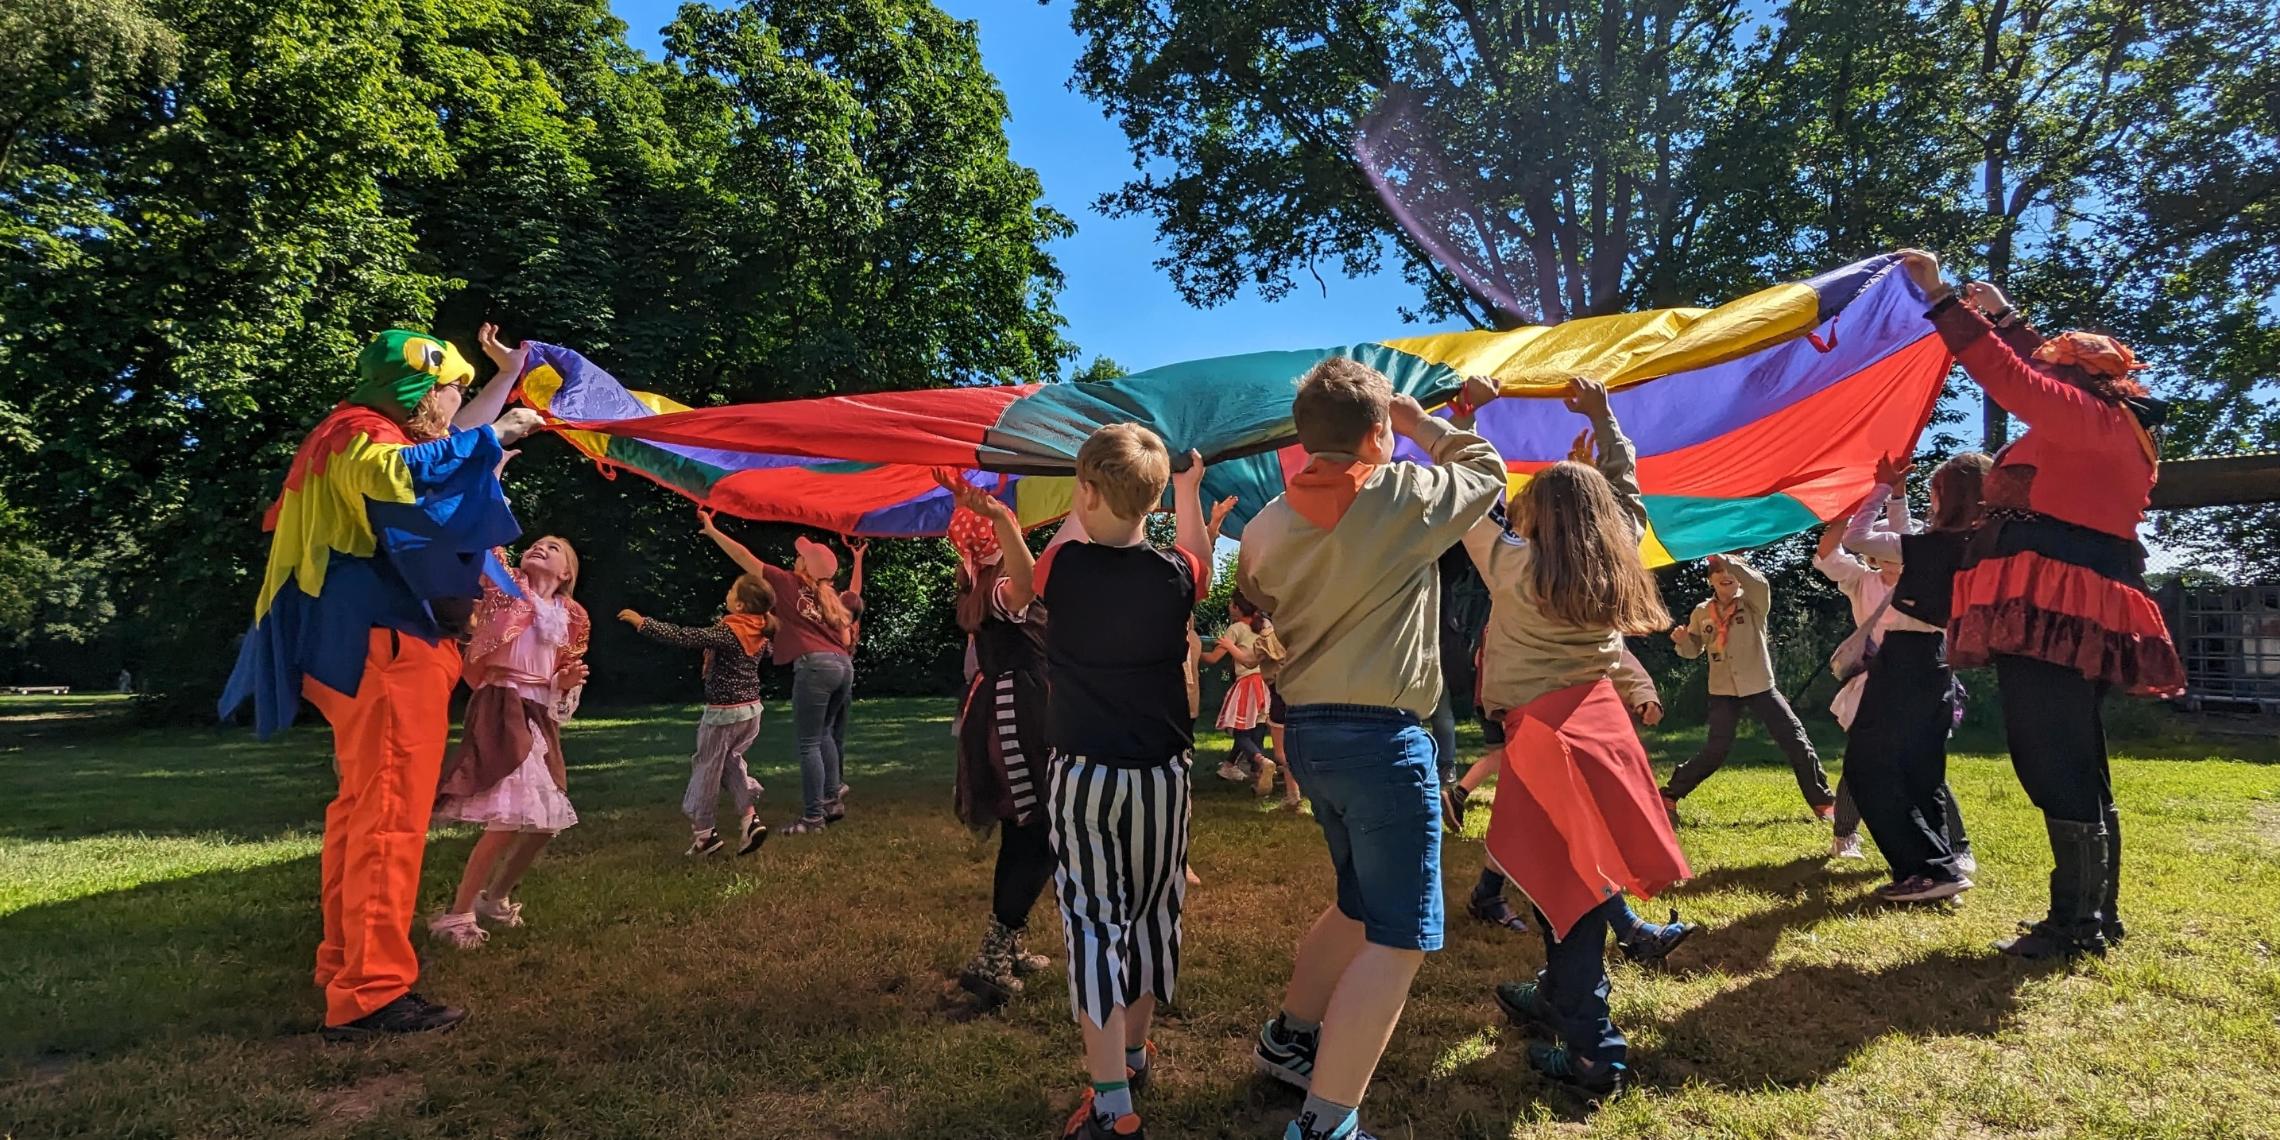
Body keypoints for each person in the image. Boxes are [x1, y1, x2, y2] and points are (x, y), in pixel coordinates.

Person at [218, 324, 534, 1040]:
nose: (458, 401)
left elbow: (436, 450)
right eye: (451, 387)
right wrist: (494, 437)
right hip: (384, 652)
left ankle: (345, 966)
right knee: (388, 818)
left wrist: (501, 388)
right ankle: (371, 993)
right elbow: (410, 472)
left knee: (363, 814)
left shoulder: (363, 429)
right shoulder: (357, 434)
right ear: (421, 390)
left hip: (367, 649)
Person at [1239, 361, 1505, 1140]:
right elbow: (1485, 471)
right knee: (1400, 937)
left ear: (1302, 438)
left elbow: (1259, 597)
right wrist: (1423, 423)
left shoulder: (1263, 526)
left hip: (1312, 738)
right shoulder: (1406, 496)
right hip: (1383, 742)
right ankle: (1327, 1122)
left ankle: (1290, 1040)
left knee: (1360, 904)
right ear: (1377, 433)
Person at [1896, 250, 2186, 959]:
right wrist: (2003, 315)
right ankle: (2093, 917)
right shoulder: (2111, 422)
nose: (2047, 368)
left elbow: (2012, 375)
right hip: (2075, 603)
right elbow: (2036, 364)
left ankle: (2076, 924)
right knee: (2076, 754)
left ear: (2078, 378)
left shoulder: (2087, 421)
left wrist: (1941, 299)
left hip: (2054, 608)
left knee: (2051, 752)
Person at [1465, 378, 1690, 1097]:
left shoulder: (1512, 567)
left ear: (1539, 523)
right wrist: (1603, 418)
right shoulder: (1615, 554)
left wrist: (1461, 419)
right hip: (1601, 729)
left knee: (1572, 892)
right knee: (1576, 882)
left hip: (1545, 740)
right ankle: (1557, 997)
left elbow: (1468, 491)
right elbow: (1625, 491)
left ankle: (1596, 1051)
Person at [1021, 424, 1209, 1140]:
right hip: (1165, 775)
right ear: (1153, 501)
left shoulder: (1061, 570)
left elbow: (1066, 539)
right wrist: (1185, 492)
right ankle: (1132, 1053)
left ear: (1087, 491)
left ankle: (1111, 1105)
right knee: (1156, 911)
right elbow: (1201, 560)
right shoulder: (1175, 575)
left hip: (1086, 776)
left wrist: (1088, 482)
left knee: (1095, 923)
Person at [1452, 647, 1694, 967]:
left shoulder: (1573, 604)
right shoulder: (1516, 604)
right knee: (1570, 829)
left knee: (1551, 824)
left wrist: (1641, 690)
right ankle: (1625, 933)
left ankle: (1488, 891)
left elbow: (1606, 640)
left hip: (1563, 719)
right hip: (1531, 715)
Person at [1836, 453, 1991, 904]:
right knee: (1921, 770)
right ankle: (1942, 869)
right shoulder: (1970, 545)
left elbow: (1858, 536)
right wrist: (1899, 494)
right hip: (1936, 659)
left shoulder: (1933, 547)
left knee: (1869, 767)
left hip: (1905, 660)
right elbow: (1909, 545)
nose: (1930, 499)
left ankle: (1926, 869)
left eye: (1934, 492)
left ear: (1950, 497)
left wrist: (1881, 488)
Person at [430, 536, 591, 947]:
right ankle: (458, 914)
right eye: (536, 543)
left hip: (538, 712)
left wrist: (564, 683)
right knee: (508, 818)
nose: (541, 547)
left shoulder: (571, 616)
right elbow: (487, 542)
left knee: (544, 824)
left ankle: (495, 897)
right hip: (502, 704)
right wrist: (492, 474)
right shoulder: (506, 588)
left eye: (554, 548)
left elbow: (558, 674)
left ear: (566, 573)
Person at [933, 477, 1058, 1005]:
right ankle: (993, 952)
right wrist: (1003, 518)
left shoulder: (981, 586)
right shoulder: (1003, 588)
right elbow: (1027, 583)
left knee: (1024, 831)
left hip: (1009, 710)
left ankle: (1008, 944)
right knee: (1039, 830)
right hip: (1019, 716)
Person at [698, 514, 859, 834]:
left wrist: (714, 532)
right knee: (825, 733)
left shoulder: (787, 582)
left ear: (803, 565)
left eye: (800, 555)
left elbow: (746, 559)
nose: (795, 557)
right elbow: (844, 639)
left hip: (815, 668)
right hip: (843, 667)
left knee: (809, 742)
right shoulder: (829, 597)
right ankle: (832, 800)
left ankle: (813, 819)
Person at [1661, 553, 1837, 823]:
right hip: (1722, 690)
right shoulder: (1701, 611)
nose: (1725, 574)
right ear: (1711, 581)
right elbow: (1693, 650)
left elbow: (1759, 583)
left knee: (1796, 740)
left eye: (1730, 571)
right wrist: (1683, 640)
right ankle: (1669, 795)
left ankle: (1823, 803)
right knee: (1716, 750)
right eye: (1718, 571)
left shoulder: (1753, 602)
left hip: (1759, 685)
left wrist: (1731, 561)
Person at [617, 573, 777, 858]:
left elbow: (686, 636)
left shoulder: (730, 632)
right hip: (751, 713)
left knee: (706, 767)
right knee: (731, 762)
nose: (726, 592)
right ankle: (749, 819)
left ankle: (705, 835)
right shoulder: (760, 631)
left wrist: (644, 624)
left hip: (724, 716)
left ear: (740, 605)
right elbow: (771, 653)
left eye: (731, 589)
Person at [1203, 593, 1277, 794]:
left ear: (1237, 607)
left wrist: (1194, 652)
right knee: (1257, 730)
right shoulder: (1265, 625)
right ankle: (1246, 772)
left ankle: (1262, 761)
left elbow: (1212, 659)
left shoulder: (1235, 629)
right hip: (1265, 684)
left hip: (1247, 684)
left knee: (1240, 731)